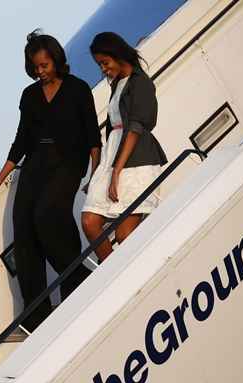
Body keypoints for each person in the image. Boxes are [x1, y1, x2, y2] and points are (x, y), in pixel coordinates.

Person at [0, 30, 101, 332]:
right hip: (36, 162)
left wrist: (94, 173)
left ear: (56, 60)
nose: (40, 72)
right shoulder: (29, 96)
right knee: (25, 229)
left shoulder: (78, 88)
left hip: (69, 160)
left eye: (44, 65)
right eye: (35, 67)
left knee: (47, 214)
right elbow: (20, 142)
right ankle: (37, 311)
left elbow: (93, 136)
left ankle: (80, 279)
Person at [81, 32, 167, 263]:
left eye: (105, 63)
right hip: (113, 155)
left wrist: (117, 171)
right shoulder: (118, 84)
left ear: (118, 56)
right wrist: (99, 172)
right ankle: (113, 270)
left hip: (136, 160)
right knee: (89, 221)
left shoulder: (141, 82)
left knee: (124, 235)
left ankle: (131, 270)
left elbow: (136, 128)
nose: (103, 69)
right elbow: (113, 130)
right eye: (100, 65)